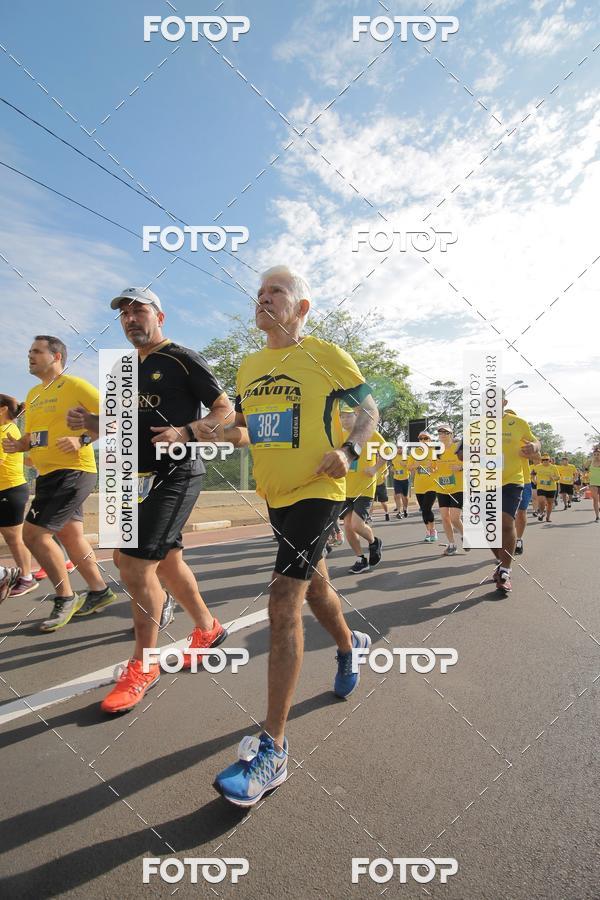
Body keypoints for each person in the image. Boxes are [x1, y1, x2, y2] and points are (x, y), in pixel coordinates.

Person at [211, 265, 377, 807]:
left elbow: (370, 409)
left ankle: (274, 750)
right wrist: (210, 430)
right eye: (258, 293)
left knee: (284, 599)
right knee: (317, 586)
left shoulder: (327, 355)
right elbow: (251, 429)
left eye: (275, 292)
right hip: (275, 495)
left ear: (301, 308)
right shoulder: (249, 365)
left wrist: (349, 452)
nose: (262, 299)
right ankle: (351, 647)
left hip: (319, 492)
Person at [87, 287, 233, 714]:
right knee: (159, 560)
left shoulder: (181, 358)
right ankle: (207, 630)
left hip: (176, 471)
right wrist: (91, 425)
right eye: (125, 313)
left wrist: (186, 432)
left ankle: (144, 664)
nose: (131, 318)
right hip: (130, 476)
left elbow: (223, 409)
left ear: (160, 316)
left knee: (134, 564)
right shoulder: (122, 369)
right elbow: (116, 423)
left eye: (139, 311)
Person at [2, 337, 115, 631]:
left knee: (34, 536)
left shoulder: (75, 386)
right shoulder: (34, 393)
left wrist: (83, 439)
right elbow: (36, 435)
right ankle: (99, 590)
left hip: (73, 470)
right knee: (71, 537)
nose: (29, 356)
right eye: (29, 351)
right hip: (48, 474)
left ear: (56, 356)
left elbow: (115, 419)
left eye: (36, 351)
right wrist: (19, 445)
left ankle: (65, 596)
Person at [493, 400, 540, 592]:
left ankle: (506, 568)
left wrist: (532, 449)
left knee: (510, 519)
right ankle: (501, 558)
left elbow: (537, 452)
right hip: (487, 481)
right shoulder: (477, 425)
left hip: (517, 480)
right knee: (488, 527)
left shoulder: (519, 425)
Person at [339, 407, 385, 574]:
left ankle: (374, 542)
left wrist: (375, 468)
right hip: (345, 489)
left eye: (348, 416)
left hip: (364, 488)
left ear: (357, 417)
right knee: (348, 527)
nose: (344, 420)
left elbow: (388, 452)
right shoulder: (339, 436)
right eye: (341, 416)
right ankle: (361, 559)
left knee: (357, 525)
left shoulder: (370, 433)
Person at [0, 394, 35, 596]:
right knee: (14, 537)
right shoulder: (6, 428)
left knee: (14, 538)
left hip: (9, 490)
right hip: (7, 489)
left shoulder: (6, 430)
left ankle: (26, 577)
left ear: (3, 409)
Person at [430, 423, 464, 555]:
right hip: (442, 488)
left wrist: (460, 467)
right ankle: (452, 544)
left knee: (455, 518)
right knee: (445, 517)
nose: (443, 435)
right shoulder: (436, 451)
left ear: (452, 435)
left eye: (446, 433)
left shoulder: (459, 448)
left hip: (458, 487)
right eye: (440, 433)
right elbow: (433, 468)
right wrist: (432, 468)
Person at [407, 430, 438, 542]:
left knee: (427, 508)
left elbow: (438, 469)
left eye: (426, 438)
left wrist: (432, 468)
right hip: (419, 485)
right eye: (421, 438)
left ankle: (433, 531)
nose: (423, 440)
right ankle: (428, 531)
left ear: (430, 440)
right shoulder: (414, 452)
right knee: (424, 510)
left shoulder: (434, 452)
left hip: (432, 485)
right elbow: (409, 468)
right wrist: (415, 465)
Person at [533, 454, 561, 523]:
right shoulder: (537, 467)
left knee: (550, 503)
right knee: (541, 500)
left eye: (546, 460)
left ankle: (548, 517)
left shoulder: (553, 467)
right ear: (541, 461)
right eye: (543, 460)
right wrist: (534, 480)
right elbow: (532, 474)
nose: (545, 461)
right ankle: (541, 513)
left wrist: (553, 478)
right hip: (541, 487)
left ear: (550, 460)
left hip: (551, 488)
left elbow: (558, 477)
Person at [392, 452, 410, 518]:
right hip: (396, 479)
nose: (399, 449)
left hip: (405, 479)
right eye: (398, 448)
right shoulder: (394, 457)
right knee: (398, 495)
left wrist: (404, 465)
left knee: (405, 497)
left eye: (401, 448)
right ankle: (399, 512)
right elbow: (392, 466)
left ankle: (405, 509)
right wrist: (393, 469)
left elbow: (410, 468)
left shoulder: (407, 457)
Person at [588, 446, 600, 521]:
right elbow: (585, 468)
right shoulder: (590, 461)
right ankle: (597, 516)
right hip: (593, 483)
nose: (596, 456)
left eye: (598, 454)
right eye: (595, 454)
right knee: (595, 499)